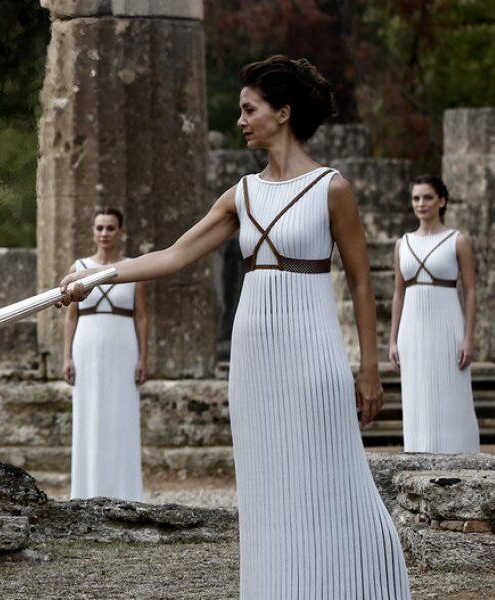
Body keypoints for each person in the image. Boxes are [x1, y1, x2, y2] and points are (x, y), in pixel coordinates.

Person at [60, 56, 410, 597]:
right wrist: (97, 277)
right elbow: (174, 255)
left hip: (312, 348)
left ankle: (355, 583)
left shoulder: (331, 188)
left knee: (327, 469)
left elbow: (362, 283)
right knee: (266, 479)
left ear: (283, 113)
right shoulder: (241, 194)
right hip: (253, 357)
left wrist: (368, 368)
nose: (241, 120)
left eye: (250, 109)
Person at [62, 207, 148, 501]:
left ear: (120, 232)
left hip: (123, 345)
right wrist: (67, 356)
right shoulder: (79, 266)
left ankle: (126, 493)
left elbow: (142, 316)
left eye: (110, 228)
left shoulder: (133, 268)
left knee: (122, 413)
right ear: (93, 231)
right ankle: (86, 492)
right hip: (87, 345)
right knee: (89, 413)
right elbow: (70, 316)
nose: (104, 234)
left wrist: (143, 358)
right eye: (99, 228)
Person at [388, 175, 480, 453]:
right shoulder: (402, 244)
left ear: (442, 201)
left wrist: (469, 338)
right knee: (417, 397)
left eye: (428, 197)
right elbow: (398, 293)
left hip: (448, 328)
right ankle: (419, 453)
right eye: (416, 198)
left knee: (452, 395)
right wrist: (393, 340)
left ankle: (461, 458)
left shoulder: (457, 241)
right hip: (412, 331)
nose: (421, 203)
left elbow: (471, 291)